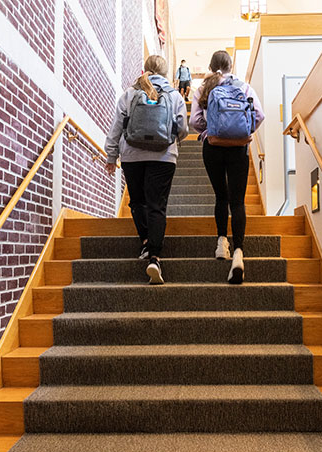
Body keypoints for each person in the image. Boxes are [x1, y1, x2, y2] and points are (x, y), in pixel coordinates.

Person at [105, 55, 188, 284]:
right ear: (164, 72)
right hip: (164, 156)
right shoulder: (174, 95)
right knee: (157, 206)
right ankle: (154, 256)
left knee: (137, 202)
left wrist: (111, 156)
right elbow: (182, 129)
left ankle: (144, 242)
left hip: (132, 155)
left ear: (145, 70)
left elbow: (116, 128)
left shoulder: (130, 93)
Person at [189, 50, 264, 284]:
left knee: (221, 196)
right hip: (239, 149)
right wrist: (242, 131)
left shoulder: (203, 89)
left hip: (212, 148)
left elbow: (193, 122)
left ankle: (222, 243)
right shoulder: (244, 87)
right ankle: (239, 252)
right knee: (238, 201)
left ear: (211, 67)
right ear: (231, 66)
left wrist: (211, 129)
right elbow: (259, 115)